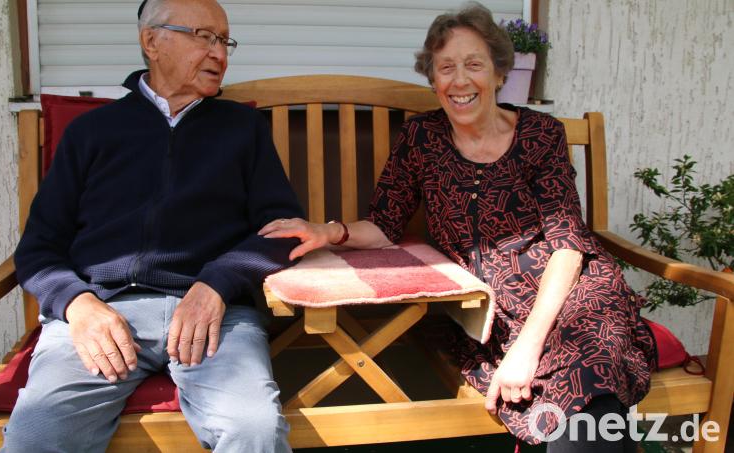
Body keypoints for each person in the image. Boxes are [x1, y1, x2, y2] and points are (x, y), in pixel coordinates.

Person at [258, 3, 655, 452]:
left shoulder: (541, 135)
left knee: (587, 364)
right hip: (492, 304)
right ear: (433, 80)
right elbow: (385, 223)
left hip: (570, 289)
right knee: (577, 410)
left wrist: (527, 348)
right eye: (446, 68)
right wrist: (328, 231)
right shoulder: (421, 138)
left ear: (499, 74)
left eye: (474, 65)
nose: (459, 81)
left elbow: (568, 245)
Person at [5, 0, 301, 451]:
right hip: (103, 311)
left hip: (212, 314)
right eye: (205, 37)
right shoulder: (91, 132)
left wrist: (216, 285)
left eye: (225, 41)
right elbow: (38, 248)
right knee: (36, 435)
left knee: (252, 428)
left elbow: (279, 229)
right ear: (151, 42)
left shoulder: (243, 128)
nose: (220, 54)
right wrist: (77, 305)